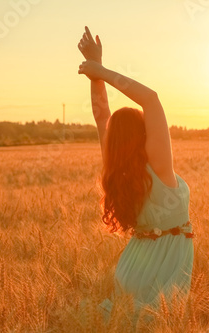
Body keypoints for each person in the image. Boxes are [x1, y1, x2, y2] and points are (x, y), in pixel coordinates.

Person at [77, 26, 195, 324]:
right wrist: (101, 70)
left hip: (132, 268)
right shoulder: (159, 165)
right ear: (143, 132)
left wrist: (95, 78)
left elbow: (102, 116)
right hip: (165, 267)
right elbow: (151, 98)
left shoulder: (119, 169)